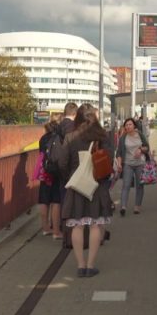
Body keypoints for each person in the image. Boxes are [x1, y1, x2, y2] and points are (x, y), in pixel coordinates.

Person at [53, 104, 113, 277]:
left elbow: (62, 163)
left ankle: (80, 266)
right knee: (95, 224)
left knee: (77, 226)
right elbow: (108, 160)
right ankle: (90, 265)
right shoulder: (103, 137)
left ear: (78, 118)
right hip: (97, 184)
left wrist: (70, 176)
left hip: (77, 184)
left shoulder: (71, 137)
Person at [115, 117, 150, 216]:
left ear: (134, 125)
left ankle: (137, 206)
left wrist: (141, 150)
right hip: (128, 164)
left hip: (140, 164)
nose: (128, 126)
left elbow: (147, 147)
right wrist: (119, 163)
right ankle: (123, 207)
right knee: (126, 185)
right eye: (126, 125)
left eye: (130, 124)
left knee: (139, 185)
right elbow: (119, 153)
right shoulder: (123, 138)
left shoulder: (140, 135)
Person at [37, 117, 64, 239]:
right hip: (55, 171)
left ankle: (45, 229)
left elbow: (41, 154)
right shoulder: (58, 137)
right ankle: (56, 232)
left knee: (44, 200)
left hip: (44, 170)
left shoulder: (43, 138)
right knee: (56, 201)